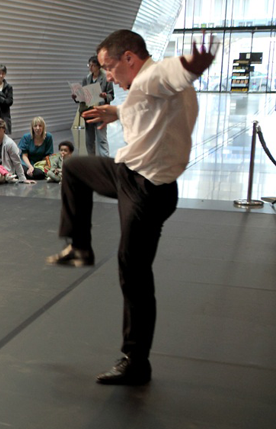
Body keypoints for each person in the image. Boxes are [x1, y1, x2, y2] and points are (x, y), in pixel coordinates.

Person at [48, 29, 217, 385]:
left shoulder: (156, 75)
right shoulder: (142, 87)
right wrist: (116, 111)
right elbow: (145, 100)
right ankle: (79, 246)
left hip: (148, 190)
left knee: (133, 270)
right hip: (128, 174)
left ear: (129, 58)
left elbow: (171, 74)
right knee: (75, 168)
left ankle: (136, 359)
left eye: (109, 67)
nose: (107, 75)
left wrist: (192, 66)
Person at [75, 55, 116, 156]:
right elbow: (84, 96)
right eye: (89, 65)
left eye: (93, 65)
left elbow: (112, 95)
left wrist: (105, 96)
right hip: (89, 111)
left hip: (100, 111)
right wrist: (76, 97)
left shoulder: (106, 78)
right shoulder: (86, 79)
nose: (90, 68)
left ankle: (105, 162)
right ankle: (93, 162)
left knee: (101, 139)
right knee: (89, 141)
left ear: (99, 66)